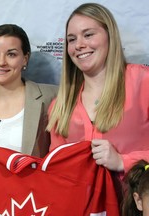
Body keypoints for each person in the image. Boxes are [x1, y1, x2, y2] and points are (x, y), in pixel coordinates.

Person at [46, 2, 149, 191]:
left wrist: (123, 162)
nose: (79, 45)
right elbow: (55, 171)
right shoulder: (60, 105)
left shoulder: (142, 82)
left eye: (88, 35)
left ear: (110, 35)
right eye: (71, 39)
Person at [0, 24, 58, 178]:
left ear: (25, 59)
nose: (1, 62)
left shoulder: (50, 97)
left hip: (30, 198)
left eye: (11, 54)